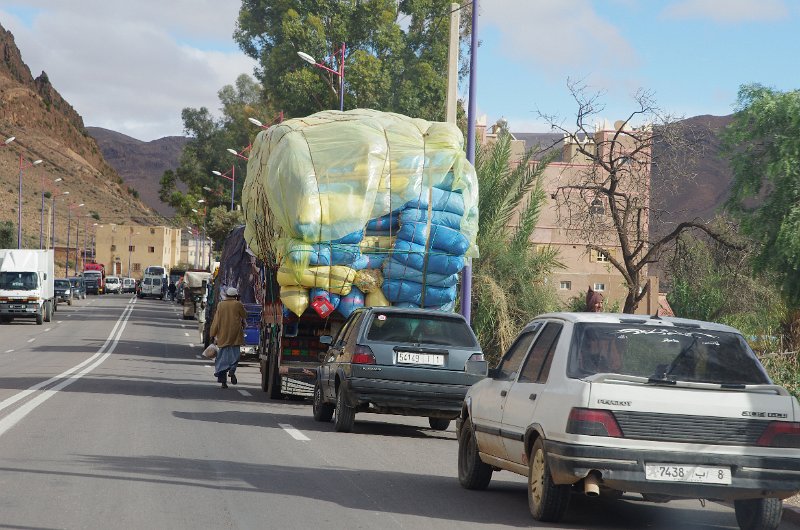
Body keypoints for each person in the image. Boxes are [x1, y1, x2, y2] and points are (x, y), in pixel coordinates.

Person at [209, 286, 247, 388]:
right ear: (235, 296)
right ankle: (232, 370)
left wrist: (212, 333)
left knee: (222, 359)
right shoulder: (238, 304)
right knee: (235, 356)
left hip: (223, 336)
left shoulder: (221, 305)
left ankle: (223, 382)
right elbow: (244, 315)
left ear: (226, 295)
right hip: (235, 336)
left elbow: (216, 320)